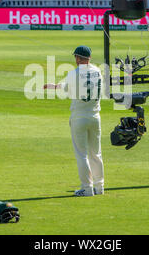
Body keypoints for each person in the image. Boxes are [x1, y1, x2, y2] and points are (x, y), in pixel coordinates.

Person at [43, 46, 104, 197]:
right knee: (96, 154)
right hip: (95, 117)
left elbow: (66, 89)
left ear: (78, 58)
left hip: (79, 117)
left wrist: (55, 86)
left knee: (82, 154)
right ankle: (99, 187)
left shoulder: (74, 73)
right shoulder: (98, 72)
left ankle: (87, 188)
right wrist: (56, 86)